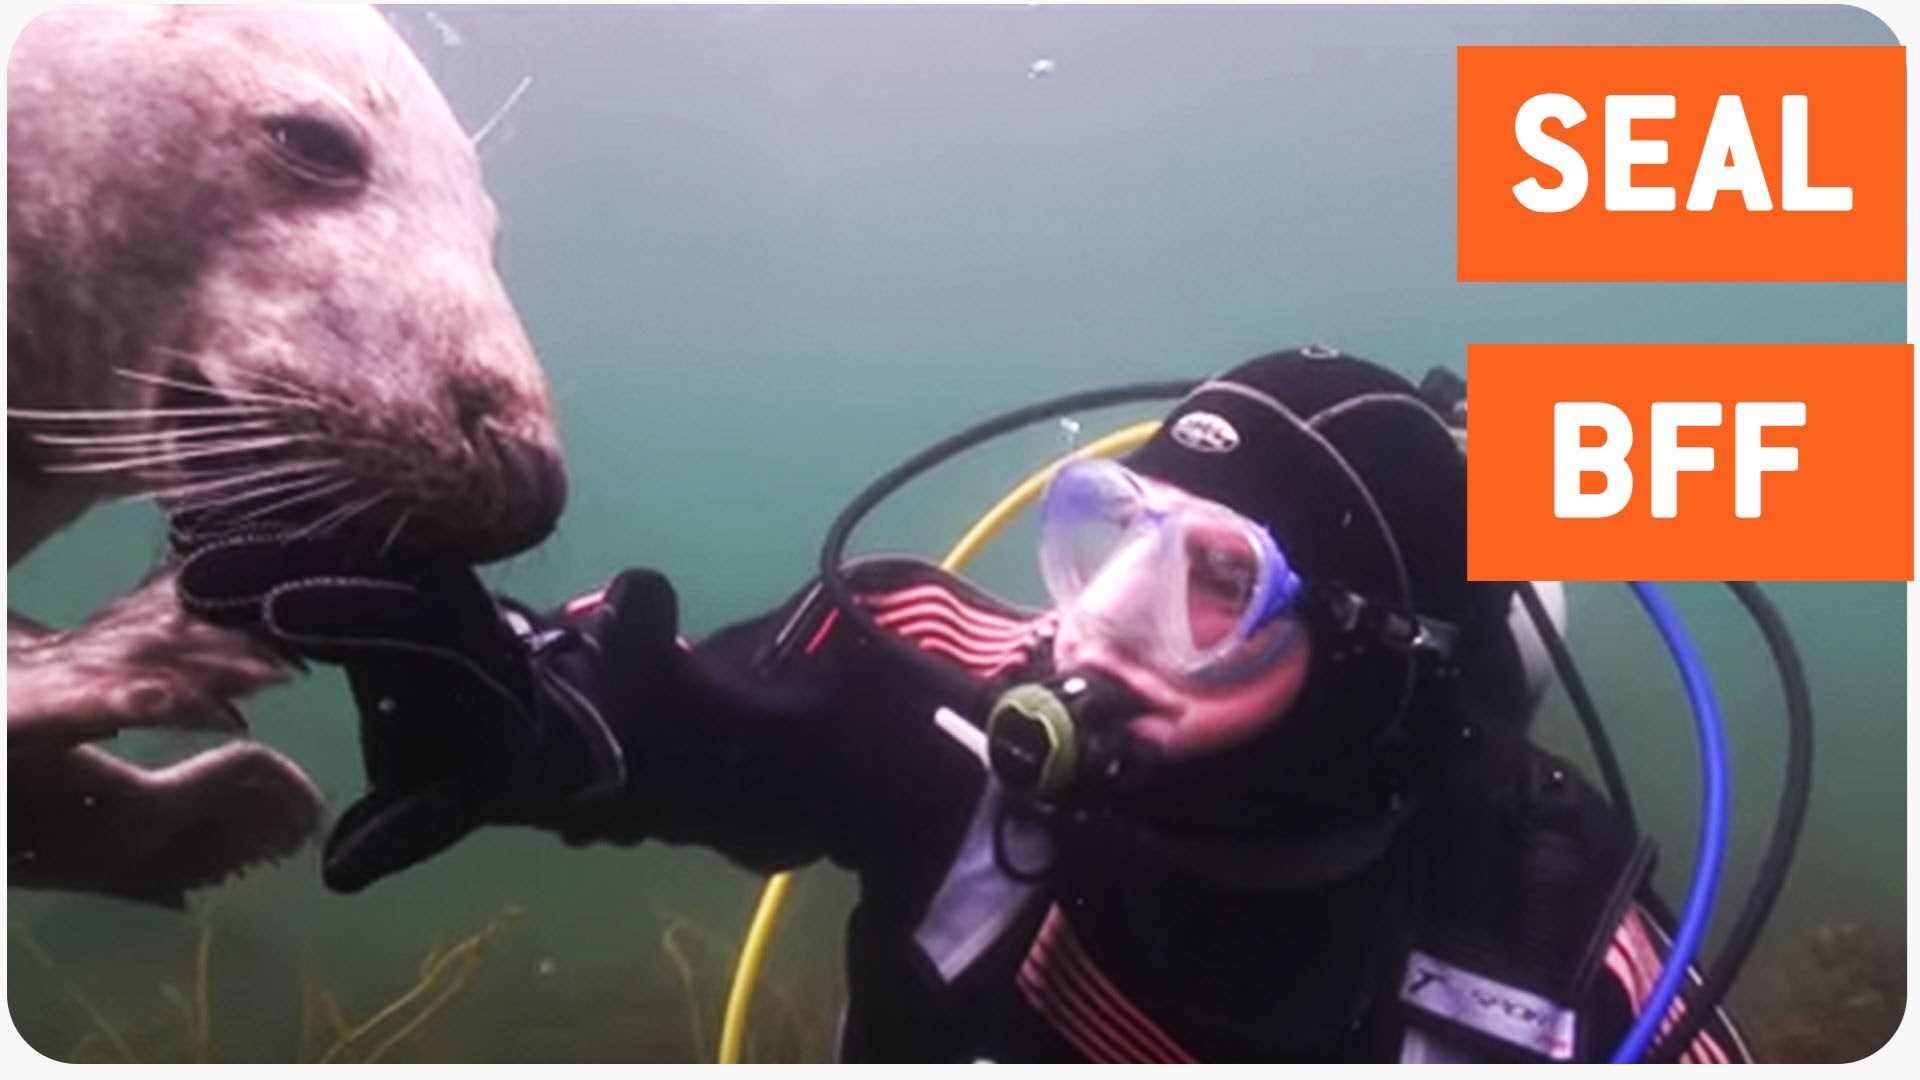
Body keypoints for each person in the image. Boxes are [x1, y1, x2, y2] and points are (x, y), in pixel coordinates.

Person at [176, 347, 1750, 1063]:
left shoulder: (1569, 975)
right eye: (1105, 535)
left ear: (1374, 664)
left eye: (1214, 581)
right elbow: (693, 720)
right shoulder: (951, 685)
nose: (1100, 628)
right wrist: (540, 713)